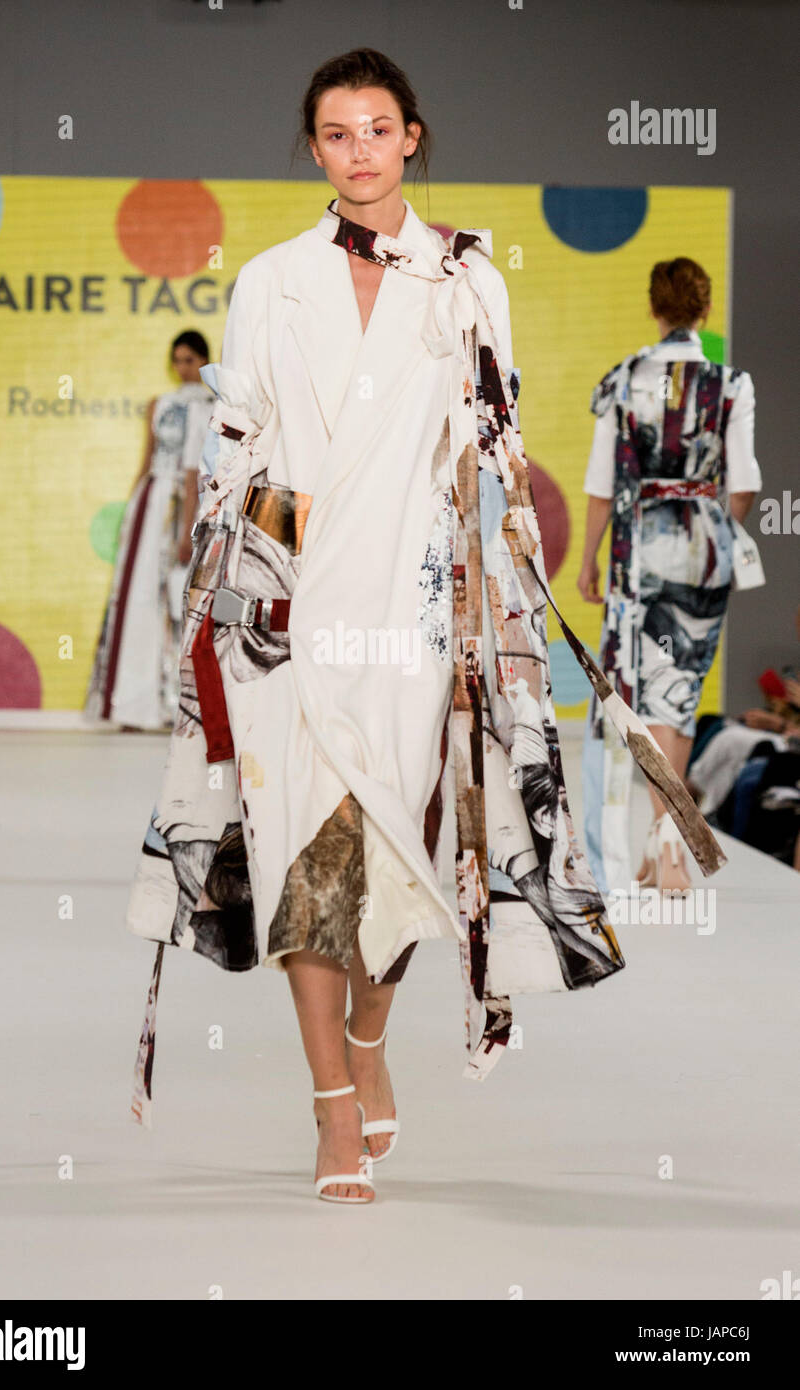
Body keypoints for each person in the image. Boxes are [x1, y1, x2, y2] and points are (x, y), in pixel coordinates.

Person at [125, 50, 722, 1205]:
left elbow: (488, 455)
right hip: (291, 613)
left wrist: (493, 611)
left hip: (410, 612)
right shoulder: (269, 279)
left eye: (378, 127)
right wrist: (258, 570)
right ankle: (330, 1104)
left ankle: (370, 1032)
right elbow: (234, 449)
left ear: (412, 138)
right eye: (336, 131)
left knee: (399, 848)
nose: (359, 147)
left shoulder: (464, 280)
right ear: (314, 148)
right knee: (306, 852)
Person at [577, 258, 762, 894]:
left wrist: (588, 557)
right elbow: (746, 484)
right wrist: (713, 524)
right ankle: (669, 852)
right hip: (703, 554)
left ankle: (667, 849)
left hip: (638, 555)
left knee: (645, 696)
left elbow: (602, 485)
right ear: (705, 311)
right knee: (678, 698)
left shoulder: (626, 379)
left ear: (655, 308)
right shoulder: (731, 384)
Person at [84, 331, 213, 730]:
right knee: (140, 600)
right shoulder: (161, 404)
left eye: (190, 360)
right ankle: (134, 705)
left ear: (204, 361)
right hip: (152, 502)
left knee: (178, 604)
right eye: (177, 359)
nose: (182, 367)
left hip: (182, 506)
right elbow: (147, 457)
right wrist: (133, 507)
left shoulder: (210, 405)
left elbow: (194, 471)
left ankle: (176, 705)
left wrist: (188, 529)